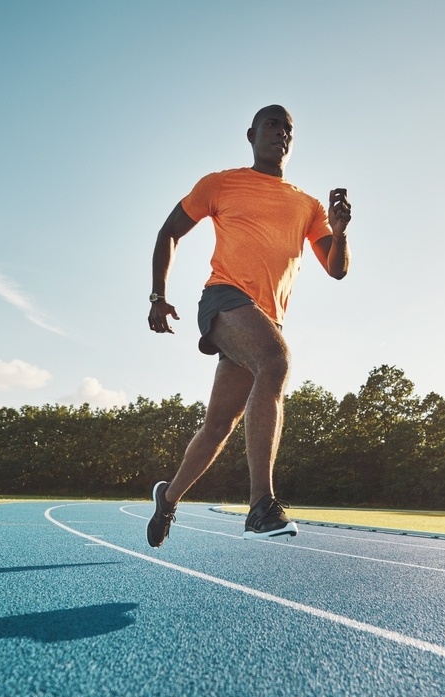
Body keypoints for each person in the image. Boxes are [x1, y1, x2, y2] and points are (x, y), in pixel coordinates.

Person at [146, 104, 351, 547]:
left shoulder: (308, 205)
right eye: (272, 124)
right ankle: (262, 506)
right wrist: (158, 295)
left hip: (263, 320)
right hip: (223, 299)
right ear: (252, 134)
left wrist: (340, 231)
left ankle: (168, 497)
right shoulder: (221, 183)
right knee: (275, 362)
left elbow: (336, 269)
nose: (281, 133)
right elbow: (169, 232)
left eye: (288, 129)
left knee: (218, 425)